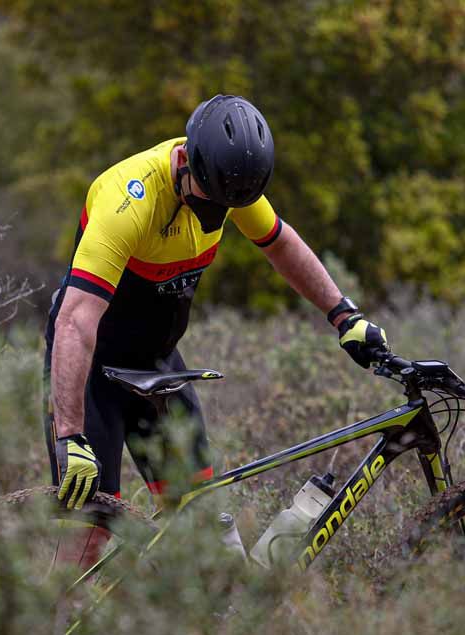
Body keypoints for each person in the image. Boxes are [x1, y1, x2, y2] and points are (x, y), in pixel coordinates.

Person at [44, 94, 387, 568]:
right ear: (185, 160)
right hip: (93, 369)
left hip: (157, 364)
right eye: (213, 200)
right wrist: (70, 434)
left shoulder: (225, 181)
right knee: (89, 536)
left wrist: (344, 315)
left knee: (200, 524)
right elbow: (75, 320)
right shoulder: (128, 200)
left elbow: (280, 243)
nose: (217, 214)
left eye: (230, 204)